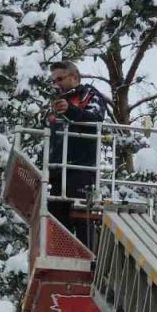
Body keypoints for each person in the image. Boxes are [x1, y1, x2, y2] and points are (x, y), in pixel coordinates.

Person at [46, 61, 107, 238]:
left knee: (82, 220)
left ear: (74, 77)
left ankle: (87, 261)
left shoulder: (89, 95)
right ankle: (59, 257)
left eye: (60, 79)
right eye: (53, 81)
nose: (57, 84)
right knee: (56, 222)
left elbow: (95, 120)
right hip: (58, 172)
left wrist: (70, 110)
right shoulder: (57, 101)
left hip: (82, 169)